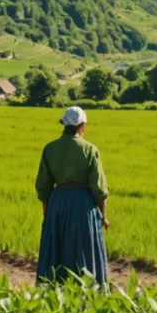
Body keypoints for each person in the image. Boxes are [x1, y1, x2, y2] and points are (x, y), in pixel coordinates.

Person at [35, 107, 109, 285]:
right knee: (84, 246)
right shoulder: (90, 149)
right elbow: (99, 188)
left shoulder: (50, 148)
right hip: (84, 203)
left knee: (58, 246)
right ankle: (88, 285)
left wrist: (47, 209)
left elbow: (43, 184)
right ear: (82, 125)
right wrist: (103, 215)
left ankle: (54, 285)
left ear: (64, 125)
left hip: (58, 201)